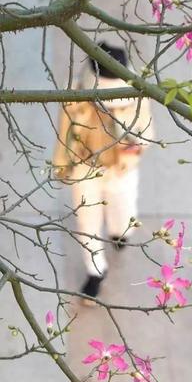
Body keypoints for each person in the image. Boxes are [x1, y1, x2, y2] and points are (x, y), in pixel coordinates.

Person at [53, 42, 154, 303]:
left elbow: (147, 133)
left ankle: (121, 234)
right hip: (86, 167)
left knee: (123, 210)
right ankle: (95, 272)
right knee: (87, 223)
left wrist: (133, 143)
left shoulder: (137, 94)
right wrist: (63, 163)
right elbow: (66, 134)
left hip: (120, 168)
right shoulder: (76, 94)